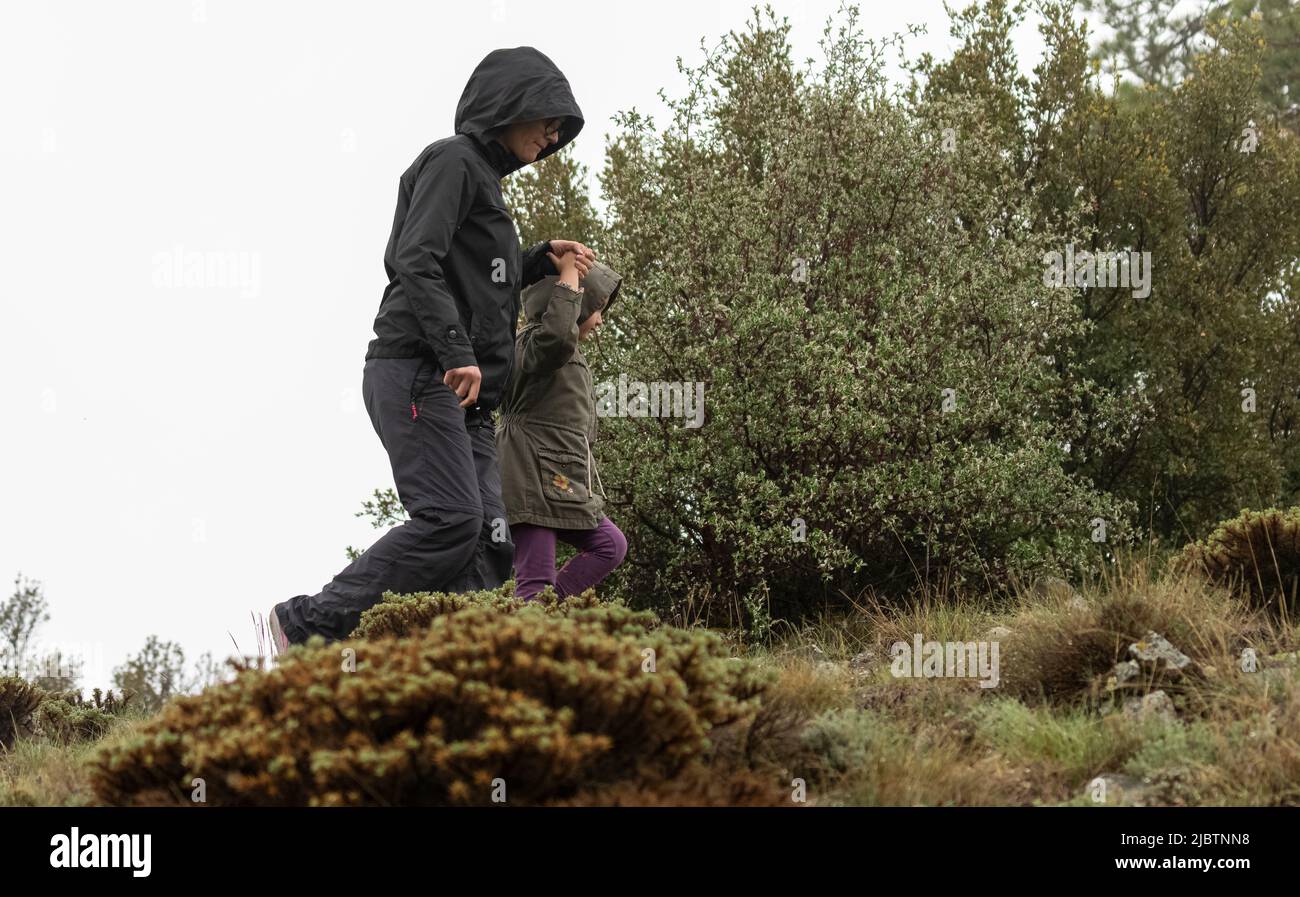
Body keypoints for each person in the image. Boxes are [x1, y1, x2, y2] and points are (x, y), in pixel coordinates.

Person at [270, 47, 594, 650]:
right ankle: (304, 624)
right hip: (420, 369)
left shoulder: (486, 182)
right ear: (510, 106)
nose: (553, 135)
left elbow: (474, 280)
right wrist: (454, 352)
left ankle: (459, 665)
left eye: (561, 129)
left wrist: (532, 261)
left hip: (466, 394)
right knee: (451, 521)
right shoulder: (454, 161)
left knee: (491, 538)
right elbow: (414, 259)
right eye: (549, 118)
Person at [497, 258, 627, 601]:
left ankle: (547, 610)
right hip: (528, 473)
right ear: (574, 305)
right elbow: (557, 333)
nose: (599, 321)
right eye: (597, 309)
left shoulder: (559, 352)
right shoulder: (541, 345)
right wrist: (571, 272)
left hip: (558, 478)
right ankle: (532, 628)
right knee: (535, 579)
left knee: (610, 545)